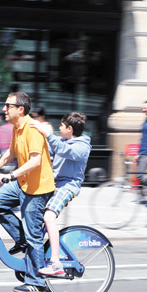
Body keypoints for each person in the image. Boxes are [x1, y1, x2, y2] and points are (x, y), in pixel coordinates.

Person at [0, 91, 55, 292]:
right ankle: (21, 238)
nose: (4, 109)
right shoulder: (17, 128)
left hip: (37, 188)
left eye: (8, 106)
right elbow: (11, 153)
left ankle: (37, 281)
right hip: (23, 183)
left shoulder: (32, 129)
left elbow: (35, 161)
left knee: (34, 234)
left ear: (20, 109)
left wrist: (11, 175)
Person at [30, 112, 91, 276]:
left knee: (49, 217)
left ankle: (56, 262)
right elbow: (49, 150)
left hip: (67, 187)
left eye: (61, 126)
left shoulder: (82, 146)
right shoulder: (63, 140)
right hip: (53, 184)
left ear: (69, 129)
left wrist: (49, 134)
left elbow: (64, 150)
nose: (59, 128)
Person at [133, 100, 147, 191]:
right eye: (143, 108)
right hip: (143, 152)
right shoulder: (145, 122)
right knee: (142, 177)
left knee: (140, 176)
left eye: (146, 108)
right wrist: (138, 154)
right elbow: (143, 139)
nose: (144, 109)